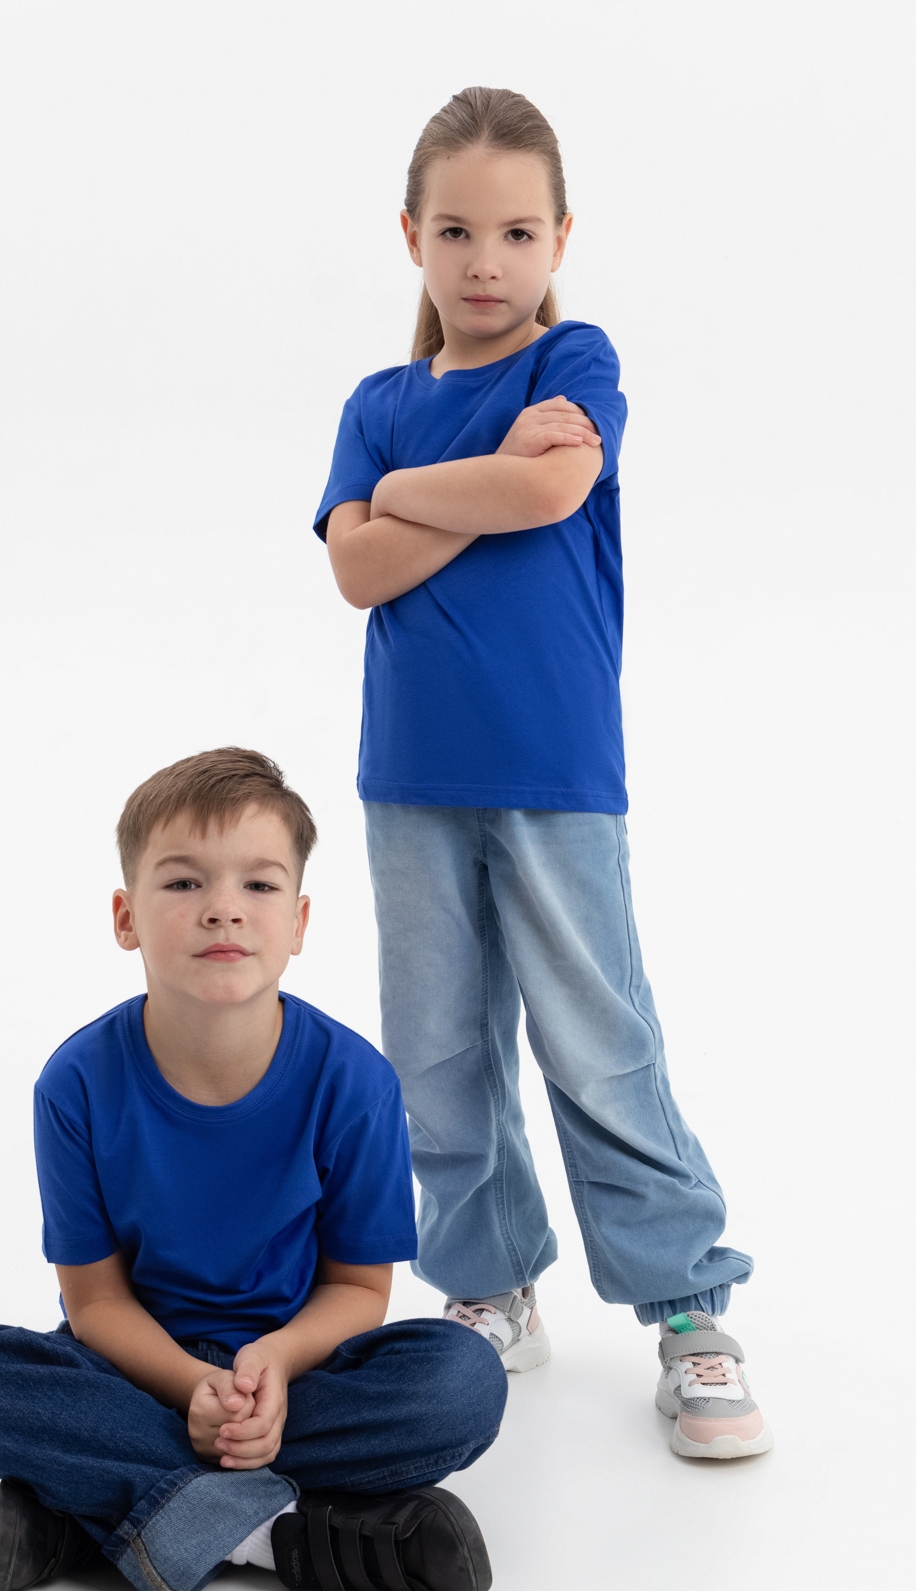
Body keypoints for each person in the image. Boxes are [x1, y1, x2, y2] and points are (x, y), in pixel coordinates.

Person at [315, 87, 771, 1460]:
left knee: (595, 1039)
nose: (486, 261)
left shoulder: (575, 364)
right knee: (438, 1051)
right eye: (456, 231)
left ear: (561, 236)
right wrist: (443, 488)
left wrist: (406, 492)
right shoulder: (378, 402)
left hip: (556, 767)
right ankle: (491, 1285)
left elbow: (549, 493)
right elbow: (356, 570)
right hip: (410, 778)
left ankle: (688, 1308)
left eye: (518, 232)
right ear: (412, 235)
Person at [0, 748, 506, 1591]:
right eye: (185, 883)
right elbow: (96, 1303)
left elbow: (357, 1289)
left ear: (298, 922)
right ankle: (276, 1538)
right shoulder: (76, 1084)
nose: (223, 908)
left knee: (463, 1380)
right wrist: (191, 1388)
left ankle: (92, 1505)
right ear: (127, 918)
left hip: (298, 1379)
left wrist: (273, 1365)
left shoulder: (355, 1083)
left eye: (259, 885)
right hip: (134, 1373)